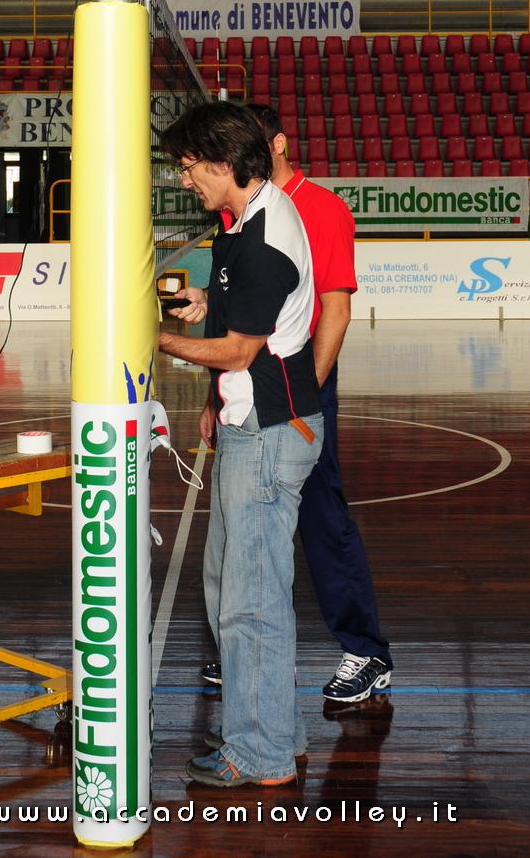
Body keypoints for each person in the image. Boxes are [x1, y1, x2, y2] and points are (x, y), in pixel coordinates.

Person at [173, 102, 392, 703]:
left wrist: (303, 400)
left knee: (321, 517)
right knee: (241, 542)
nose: (188, 178)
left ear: (273, 145)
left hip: (295, 389)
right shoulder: (235, 213)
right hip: (256, 390)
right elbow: (241, 303)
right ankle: (240, 658)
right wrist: (216, 399)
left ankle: (365, 650)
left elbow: (335, 309)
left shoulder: (315, 209)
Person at [157, 102, 323, 788]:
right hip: (251, 429)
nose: (185, 178)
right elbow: (239, 310)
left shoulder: (261, 242)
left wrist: (156, 340)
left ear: (225, 165)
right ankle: (276, 729)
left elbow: (237, 349)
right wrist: (203, 298)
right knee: (233, 584)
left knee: (250, 598)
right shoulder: (250, 219)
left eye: (191, 167)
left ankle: (261, 754)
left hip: (268, 434)